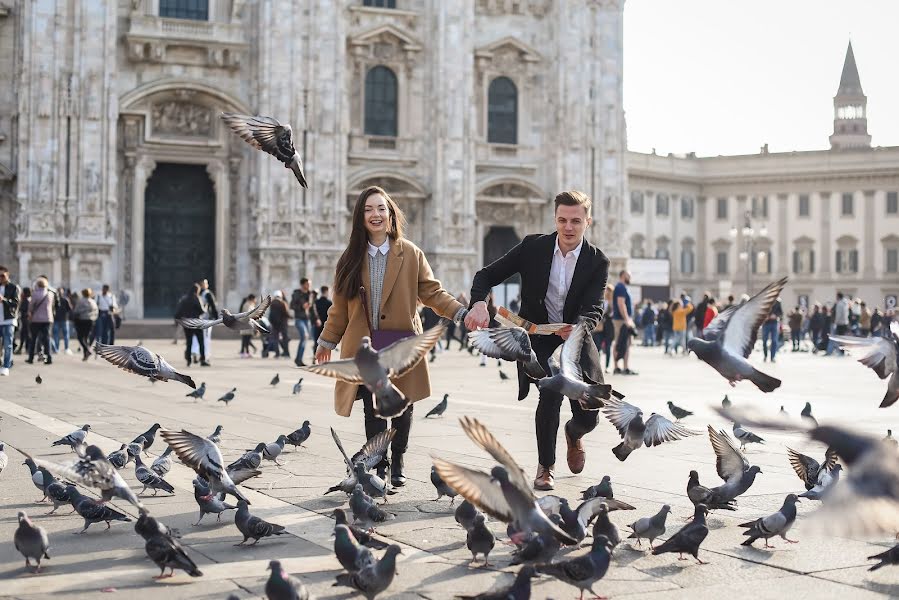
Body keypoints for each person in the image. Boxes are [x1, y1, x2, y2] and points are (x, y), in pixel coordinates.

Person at [316, 185, 466, 488]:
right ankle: (379, 462)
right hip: (366, 347)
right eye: (369, 209)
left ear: (391, 214)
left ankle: (398, 458)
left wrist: (460, 312)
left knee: (403, 407)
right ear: (360, 217)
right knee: (372, 407)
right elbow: (340, 307)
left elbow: (432, 292)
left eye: (381, 208)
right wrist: (326, 340)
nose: (375, 214)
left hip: (402, 344)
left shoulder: (410, 253)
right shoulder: (350, 258)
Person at [465, 190, 609, 491]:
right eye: (562, 220)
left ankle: (575, 433)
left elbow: (595, 305)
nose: (568, 227)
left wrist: (581, 326)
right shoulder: (534, 247)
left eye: (575, 221)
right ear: (554, 219)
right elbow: (486, 274)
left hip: (576, 337)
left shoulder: (597, 261)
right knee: (550, 393)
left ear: (587, 221)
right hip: (539, 337)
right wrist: (478, 302)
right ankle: (546, 466)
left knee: (590, 411)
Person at [174, 283, 210, 367]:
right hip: (196, 323)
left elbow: (178, 312)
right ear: (197, 291)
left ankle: (189, 360)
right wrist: (206, 306)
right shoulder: (197, 298)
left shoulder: (184, 299)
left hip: (187, 323)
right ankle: (202, 359)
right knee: (201, 342)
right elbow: (202, 311)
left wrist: (177, 321)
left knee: (189, 342)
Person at [290, 278, 320, 367]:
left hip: (307, 319)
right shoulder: (296, 294)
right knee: (305, 336)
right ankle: (298, 359)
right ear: (302, 284)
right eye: (307, 284)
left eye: (310, 284)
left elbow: (313, 308)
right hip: (299, 318)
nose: (309, 286)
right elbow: (292, 305)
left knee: (305, 339)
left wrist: (317, 318)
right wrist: (301, 306)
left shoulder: (310, 294)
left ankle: (298, 359)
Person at [611, 270, 636, 375]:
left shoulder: (623, 287)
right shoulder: (620, 287)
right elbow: (621, 304)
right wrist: (627, 320)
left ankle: (625, 367)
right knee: (619, 342)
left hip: (623, 319)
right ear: (622, 276)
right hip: (621, 320)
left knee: (626, 343)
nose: (630, 277)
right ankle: (617, 367)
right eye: (628, 276)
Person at [26, 277, 55, 365]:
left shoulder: (35, 294)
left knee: (34, 338)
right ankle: (49, 357)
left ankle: (31, 358)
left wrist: (29, 313)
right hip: (48, 319)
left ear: (37, 284)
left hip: (36, 319)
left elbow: (31, 306)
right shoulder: (50, 294)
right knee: (47, 339)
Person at [0, 266, 20, 376]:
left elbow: (16, 303)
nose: (0, 278)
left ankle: (6, 366)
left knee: (8, 344)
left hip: (8, 320)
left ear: (7, 275)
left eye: (2, 276)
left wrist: (4, 300)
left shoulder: (13, 287)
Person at [191, 279, 216, 361]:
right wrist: (216, 317)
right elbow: (213, 306)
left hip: (198, 318)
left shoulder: (197, 294)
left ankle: (194, 351)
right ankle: (206, 355)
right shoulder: (208, 294)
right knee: (206, 337)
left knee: (196, 336)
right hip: (206, 319)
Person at [72, 288, 99, 360]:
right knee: (86, 338)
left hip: (82, 321)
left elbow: (76, 311)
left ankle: (87, 350)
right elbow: (96, 312)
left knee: (80, 337)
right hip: (90, 321)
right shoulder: (93, 302)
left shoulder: (80, 301)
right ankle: (85, 355)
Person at [266, 290, 291, 358]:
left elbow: (271, 314)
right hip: (283, 323)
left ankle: (277, 353)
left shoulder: (272, 303)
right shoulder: (283, 303)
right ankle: (286, 353)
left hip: (274, 324)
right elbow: (286, 313)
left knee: (275, 339)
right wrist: (291, 317)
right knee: (285, 338)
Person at [52, 287, 72, 355]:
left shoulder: (54, 300)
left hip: (56, 319)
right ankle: (66, 349)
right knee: (66, 335)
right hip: (64, 319)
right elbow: (70, 309)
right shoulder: (66, 299)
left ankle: (56, 349)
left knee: (56, 335)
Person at [313, 286, 333, 356]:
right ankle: (324, 358)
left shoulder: (316, 302)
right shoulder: (329, 302)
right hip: (326, 325)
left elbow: (313, 313)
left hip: (317, 324)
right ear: (326, 291)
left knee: (316, 341)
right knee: (325, 342)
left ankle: (314, 356)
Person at [15, 287, 31, 355]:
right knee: (25, 334)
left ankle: (24, 348)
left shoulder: (25, 300)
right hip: (26, 320)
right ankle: (25, 348)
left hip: (25, 320)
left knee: (25, 334)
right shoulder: (28, 300)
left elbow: (22, 310)